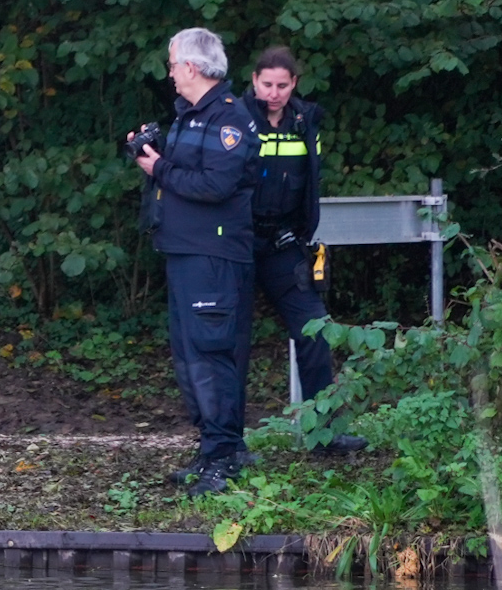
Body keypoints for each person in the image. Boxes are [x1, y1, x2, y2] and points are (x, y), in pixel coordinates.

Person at [130, 28, 259, 497]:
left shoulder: (228, 119)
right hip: (184, 250)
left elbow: (215, 186)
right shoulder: (189, 115)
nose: (169, 73)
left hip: (213, 255)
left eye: (172, 64)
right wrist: (151, 153)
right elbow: (187, 173)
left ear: (192, 66)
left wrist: (158, 168)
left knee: (211, 354)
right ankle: (213, 448)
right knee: (189, 358)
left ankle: (224, 456)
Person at [235, 46, 367, 455]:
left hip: (283, 246)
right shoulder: (234, 120)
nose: (273, 93)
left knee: (315, 331)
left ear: (294, 84)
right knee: (230, 345)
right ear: (253, 81)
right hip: (237, 244)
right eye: (266, 84)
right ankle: (227, 445)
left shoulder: (304, 121)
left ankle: (324, 436)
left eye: (282, 85)